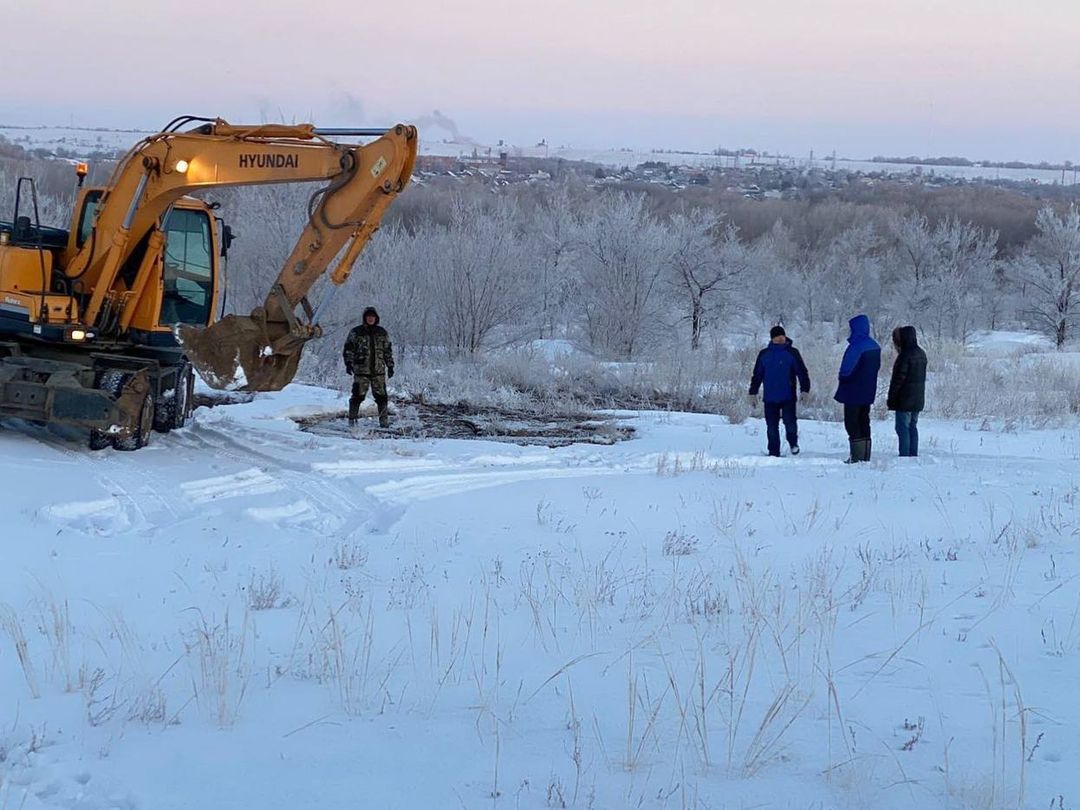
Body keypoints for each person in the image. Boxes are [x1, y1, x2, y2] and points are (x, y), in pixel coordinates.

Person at [749, 325, 811, 457]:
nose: (780, 339)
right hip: (770, 397)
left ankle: (793, 443)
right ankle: (773, 452)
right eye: (777, 337)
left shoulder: (792, 353)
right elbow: (757, 375)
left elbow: (802, 372)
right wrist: (753, 392)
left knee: (790, 423)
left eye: (782, 336)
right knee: (771, 427)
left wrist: (805, 389)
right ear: (772, 339)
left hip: (788, 396)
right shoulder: (764, 354)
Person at [834, 314, 881, 463]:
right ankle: (865, 455)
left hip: (853, 392)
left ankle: (856, 456)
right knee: (864, 420)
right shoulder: (874, 346)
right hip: (868, 391)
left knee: (852, 422)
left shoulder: (856, 347)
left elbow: (846, 371)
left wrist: (842, 378)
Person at [343, 306, 395, 428]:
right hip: (361, 370)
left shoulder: (382, 332)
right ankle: (352, 421)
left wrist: (390, 366)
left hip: (378, 371)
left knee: (382, 398)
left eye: (372, 317)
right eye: (368, 317)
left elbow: (387, 350)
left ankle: (384, 422)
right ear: (364, 318)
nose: (370, 319)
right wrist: (348, 363)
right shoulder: (356, 332)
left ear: (376, 318)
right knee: (357, 396)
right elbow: (348, 349)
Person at [886, 325, 928, 457]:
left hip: (904, 400)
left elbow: (897, 381)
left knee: (902, 428)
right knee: (912, 427)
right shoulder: (921, 353)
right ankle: (912, 455)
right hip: (918, 399)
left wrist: (891, 399)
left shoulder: (904, 356)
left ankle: (904, 456)